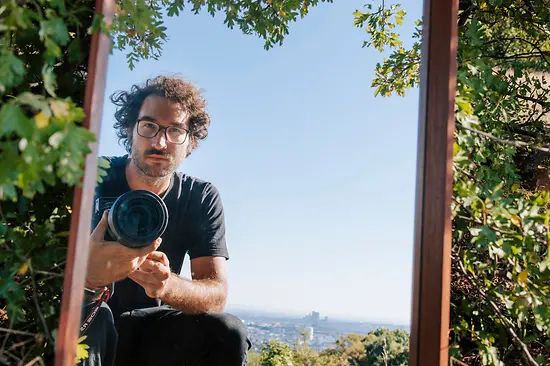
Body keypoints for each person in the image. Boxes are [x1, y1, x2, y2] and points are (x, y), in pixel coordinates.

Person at [79, 75, 251, 366]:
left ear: (190, 142)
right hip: (89, 316)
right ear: (129, 130)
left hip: (152, 331)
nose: (160, 142)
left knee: (228, 331)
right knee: (97, 319)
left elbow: (216, 294)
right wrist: (89, 276)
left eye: (175, 131)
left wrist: (165, 285)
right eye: (149, 126)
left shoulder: (200, 197)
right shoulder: (94, 176)